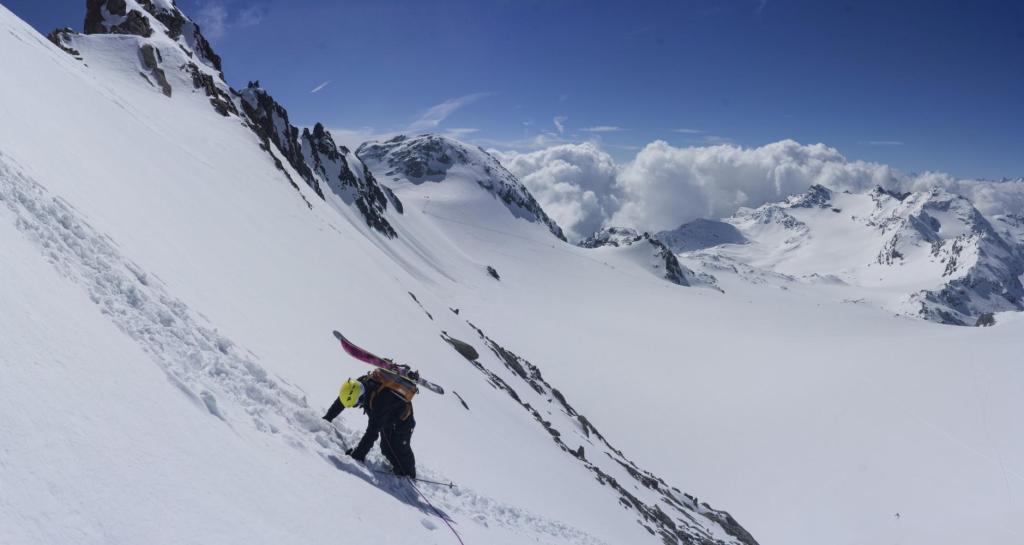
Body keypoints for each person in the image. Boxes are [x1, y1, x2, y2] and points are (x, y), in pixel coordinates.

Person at [323, 369, 418, 478]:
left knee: (399, 448)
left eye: (357, 403)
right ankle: (397, 469)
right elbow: (342, 400)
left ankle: (409, 475)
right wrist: (328, 417)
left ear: (361, 396)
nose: (358, 406)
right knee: (386, 448)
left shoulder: (380, 403)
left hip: (402, 422)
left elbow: (371, 434)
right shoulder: (358, 385)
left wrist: (357, 456)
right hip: (386, 418)